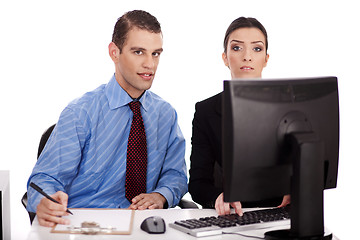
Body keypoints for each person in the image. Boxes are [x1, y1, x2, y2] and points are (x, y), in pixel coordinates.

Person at [27, 10, 188, 227]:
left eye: (156, 53)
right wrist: (45, 201)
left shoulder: (165, 114)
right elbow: (45, 178)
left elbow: (175, 174)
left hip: (144, 225)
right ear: (114, 52)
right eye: (139, 52)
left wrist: (161, 195)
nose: (150, 64)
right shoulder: (80, 112)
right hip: (88, 225)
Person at [188, 17, 290, 216]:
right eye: (237, 48)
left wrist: (297, 190)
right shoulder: (207, 111)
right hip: (233, 215)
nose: (247, 57)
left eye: (257, 49)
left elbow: (310, 168)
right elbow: (198, 184)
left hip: (280, 214)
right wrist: (218, 196)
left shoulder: (289, 106)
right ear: (225, 58)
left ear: (266, 59)